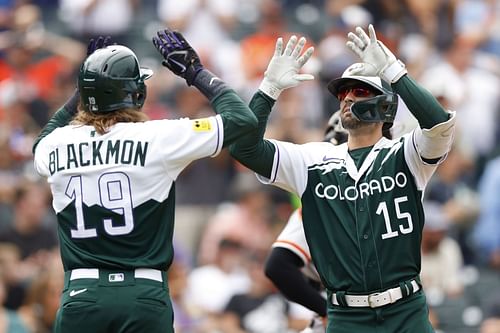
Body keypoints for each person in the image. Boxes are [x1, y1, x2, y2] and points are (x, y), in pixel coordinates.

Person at [229, 24, 456, 333]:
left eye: (359, 91)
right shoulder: (311, 159)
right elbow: (244, 148)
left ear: (386, 106)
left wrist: (394, 72)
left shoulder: (406, 154)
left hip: (407, 313)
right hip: (346, 317)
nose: (347, 98)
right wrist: (269, 88)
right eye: (343, 92)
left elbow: (439, 124)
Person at [31, 30, 257, 333]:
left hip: (81, 295)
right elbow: (242, 119)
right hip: (143, 295)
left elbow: (42, 141)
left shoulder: (56, 144)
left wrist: (84, 90)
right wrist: (195, 72)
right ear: (135, 93)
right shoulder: (158, 137)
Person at [264, 112, 348, 333]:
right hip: (349, 314)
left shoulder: (385, 192)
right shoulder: (324, 205)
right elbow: (278, 266)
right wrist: (327, 310)